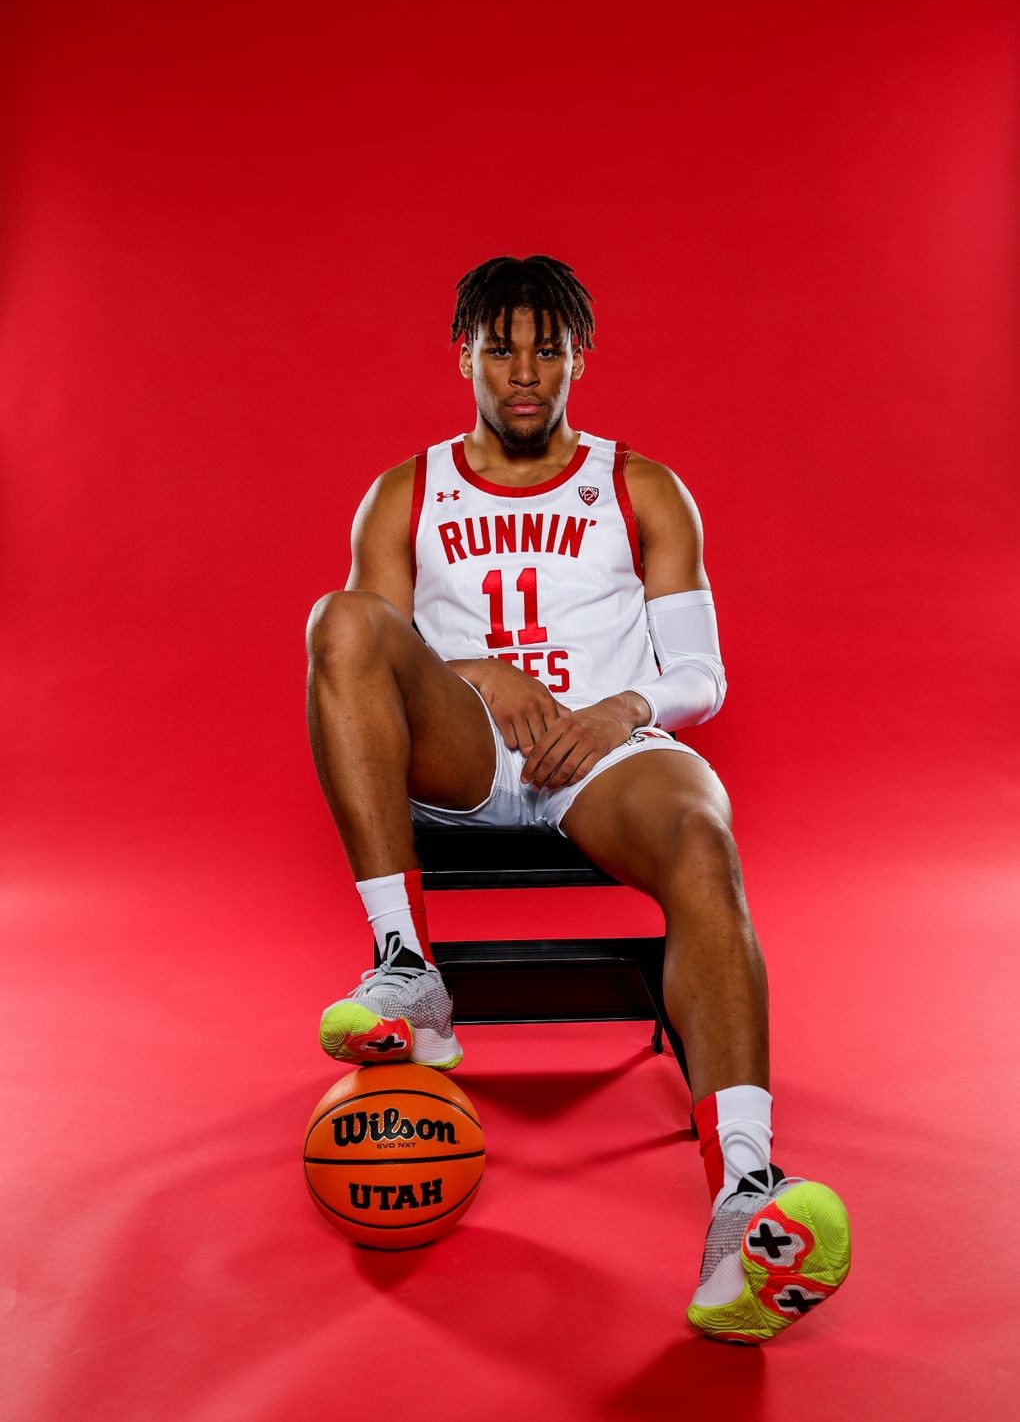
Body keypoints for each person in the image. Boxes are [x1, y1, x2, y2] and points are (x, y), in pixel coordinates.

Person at [305, 254, 850, 1343]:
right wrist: (479, 677)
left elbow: (701, 675)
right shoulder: (407, 491)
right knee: (341, 620)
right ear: (462, 357)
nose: (524, 371)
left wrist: (616, 710)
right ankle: (409, 971)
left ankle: (746, 1194)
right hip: (464, 752)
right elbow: (367, 669)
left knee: (702, 836)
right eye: (499, 347)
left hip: (598, 753)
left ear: (578, 360)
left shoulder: (641, 486)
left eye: (546, 350)